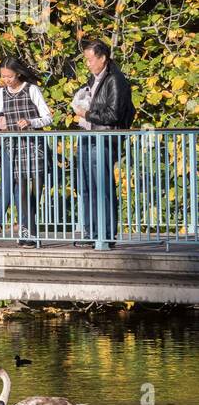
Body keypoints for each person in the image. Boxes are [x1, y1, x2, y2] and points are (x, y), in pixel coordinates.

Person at [0, 58, 53, 247]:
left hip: (34, 147)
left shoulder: (31, 89)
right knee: (22, 192)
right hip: (14, 147)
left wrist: (31, 122)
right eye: (3, 77)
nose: (6, 80)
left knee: (34, 192)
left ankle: (31, 232)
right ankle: (28, 234)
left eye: (9, 76)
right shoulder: (2, 93)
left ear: (18, 74)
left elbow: (48, 117)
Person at [74, 39, 134, 248]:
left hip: (104, 139)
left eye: (90, 59)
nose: (88, 64)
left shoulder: (115, 79)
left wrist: (87, 113)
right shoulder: (94, 79)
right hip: (88, 137)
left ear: (103, 58)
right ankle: (91, 232)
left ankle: (106, 234)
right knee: (86, 187)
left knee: (103, 187)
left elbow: (114, 114)